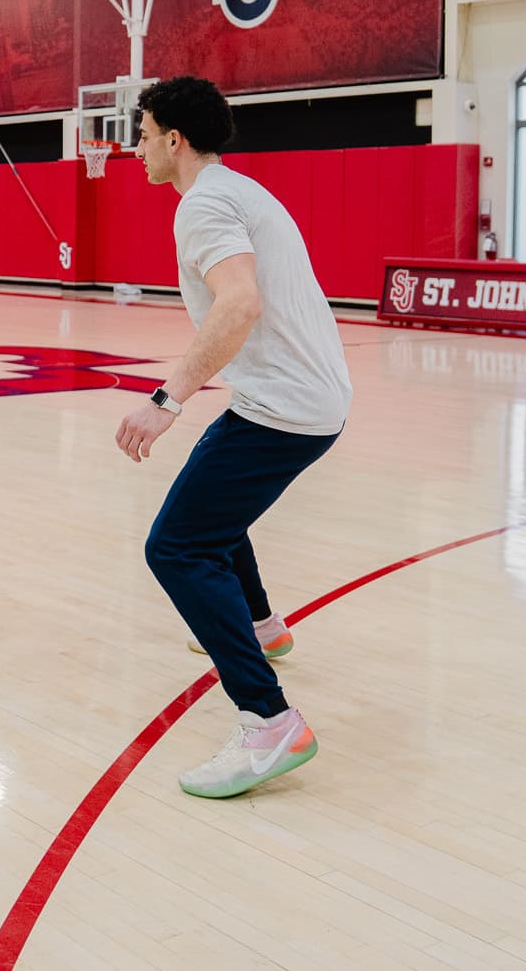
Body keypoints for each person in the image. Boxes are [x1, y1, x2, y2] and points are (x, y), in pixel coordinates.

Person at [113, 77, 352, 798]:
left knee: (176, 546)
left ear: (174, 138)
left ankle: (268, 719)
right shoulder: (238, 190)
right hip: (305, 398)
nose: (139, 148)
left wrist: (167, 398)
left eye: (145, 134)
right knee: (210, 511)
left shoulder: (205, 202)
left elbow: (240, 301)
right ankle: (265, 627)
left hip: (284, 406)